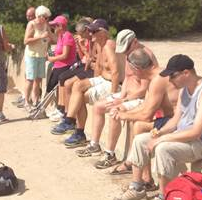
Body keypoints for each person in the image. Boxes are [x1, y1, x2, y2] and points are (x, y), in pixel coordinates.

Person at [120, 54, 202, 200]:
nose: (170, 80)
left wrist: (162, 139)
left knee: (163, 149)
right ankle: (137, 187)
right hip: (184, 137)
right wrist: (160, 132)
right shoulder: (184, 91)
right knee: (140, 140)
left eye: (173, 76)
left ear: (186, 73)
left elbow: (196, 131)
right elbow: (176, 120)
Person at [75, 30, 157, 170]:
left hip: (140, 97)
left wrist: (124, 100)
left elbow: (145, 88)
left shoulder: (145, 56)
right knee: (98, 106)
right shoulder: (130, 54)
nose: (125, 52)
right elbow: (127, 78)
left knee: (115, 112)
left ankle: (110, 153)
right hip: (127, 95)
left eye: (127, 48)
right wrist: (121, 96)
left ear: (135, 42)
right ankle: (94, 144)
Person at [105, 48, 179, 187]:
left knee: (139, 125)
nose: (131, 75)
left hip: (176, 122)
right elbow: (146, 105)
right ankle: (145, 177)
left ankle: (145, 179)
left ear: (137, 69)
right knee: (137, 124)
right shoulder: (157, 76)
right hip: (170, 119)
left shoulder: (158, 80)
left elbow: (146, 115)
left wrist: (123, 115)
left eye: (131, 71)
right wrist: (123, 109)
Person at [50, 19, 118, 148]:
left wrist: (114, 96)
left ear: (103, 32)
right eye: (90, 31)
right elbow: (96, 66)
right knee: (77, 86)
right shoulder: (99, 44)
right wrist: (91, 83)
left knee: (77, 93)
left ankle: (76, 128)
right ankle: (70, 120)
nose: (90, 34)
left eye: (94, 31)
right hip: (102, 78)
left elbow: (115, 72)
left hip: (110, 82)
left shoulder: (109, 45)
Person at [48, 17, 96, 122]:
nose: (80, 35)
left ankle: (67, 114)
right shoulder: (65, 36)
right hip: (84, 65)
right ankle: (63, 110)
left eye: (81, 33)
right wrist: (79, 46)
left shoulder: (92, 40)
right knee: (63, 79)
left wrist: (82, 47)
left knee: (67, 81)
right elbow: (83, 57)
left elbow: (89, 59)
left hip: (89, 68)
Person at [21, 5, 52, 109]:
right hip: (32, 55)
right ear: (40, 16)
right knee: (30, 79)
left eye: (47, 18)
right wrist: (40, 37)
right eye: (46, 17)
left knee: (38, 80)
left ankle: (36, 101)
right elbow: (26, 41)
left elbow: (52, 37)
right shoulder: (32, 24)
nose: (47, 19)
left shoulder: (46, 25)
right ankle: (26, 102)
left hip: (41, 55)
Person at [45, 15, 76, 102]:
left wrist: (52, 59)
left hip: (65, 66)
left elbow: (65, 55)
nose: (53, 28)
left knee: (51, 87)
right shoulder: (61, 36)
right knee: (50, 87)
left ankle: (55, 107)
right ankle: (48, 106)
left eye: (54, 26)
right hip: (58, 66)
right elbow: (57, 50)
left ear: (60, 26)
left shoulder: (67, 36)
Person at [13, 6, 36, 107]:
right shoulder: (30, 24)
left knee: (31, 78)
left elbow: (26, 40)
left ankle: (27, 100)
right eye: (27, 16)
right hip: (29, 54)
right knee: (27, 76)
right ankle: (25, 97)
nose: (29, 18)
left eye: (31, 15)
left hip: (34, 55)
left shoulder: (35, 25)